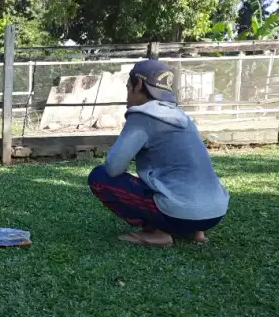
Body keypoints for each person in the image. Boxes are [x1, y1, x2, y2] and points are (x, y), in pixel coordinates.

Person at [88, 60, 229, 247]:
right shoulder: (181, 116)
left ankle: (158, 233)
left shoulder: (142, 116)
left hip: (180, 213)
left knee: (99, 176)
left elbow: (114, 168)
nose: (128, 96)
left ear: (138, 85)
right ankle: (195, 232)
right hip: (215, 214)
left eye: (128, 88)